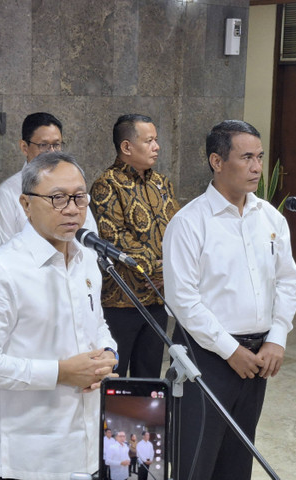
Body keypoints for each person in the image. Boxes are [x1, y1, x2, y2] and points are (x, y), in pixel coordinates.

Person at [0, 151, 119, 480]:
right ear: (26, 204)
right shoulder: (0, 272)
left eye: (79, 197)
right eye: (58, 198)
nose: (72, 209)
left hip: (88, 439)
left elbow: (97, 322)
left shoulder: (87, 259)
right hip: (30, 454)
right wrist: (60, 373)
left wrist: (108, 354)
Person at [163, 120, 296, 479]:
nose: (257, 167)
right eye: (246, 158)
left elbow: (288, 280)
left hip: (258, 358)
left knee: (238, 462)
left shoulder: (270, 218)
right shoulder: (190, 222)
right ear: (217, 161)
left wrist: (277, 338)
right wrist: (229, 349)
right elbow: (183, 300)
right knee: (196, 460)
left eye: (259, 157)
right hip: (206, 357)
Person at [90, 114, 179, 378]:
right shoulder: (107, 184)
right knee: (115, 375)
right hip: (122, 302)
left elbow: (177, 229)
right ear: (127, 147)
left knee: (149, 373)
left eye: (156, 140)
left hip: (157, 298)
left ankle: (145, 421)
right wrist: (158, 268)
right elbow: (113, 238)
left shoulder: (162, 183)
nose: (156, 146)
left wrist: (174, 268)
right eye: (149, 140)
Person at [0, 112, 96, 242]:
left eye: (56, 145)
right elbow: (5, 247)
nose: (52, 152)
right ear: (24, 147)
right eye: (43, 145)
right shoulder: (7, 192)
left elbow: (89, 239)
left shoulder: (74, 185)